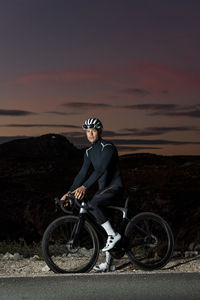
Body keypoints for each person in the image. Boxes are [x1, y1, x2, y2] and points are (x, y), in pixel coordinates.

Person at [61, 117, 124, 271]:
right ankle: (109, 264)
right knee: (105, 224)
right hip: (103, 191)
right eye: (87, 131)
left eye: (93, 131)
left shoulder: (107, 147)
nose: (90, 134)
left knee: (93, 203)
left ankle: (114, 236)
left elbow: (100, 169)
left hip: (115, 188)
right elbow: (82, 174)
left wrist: (85, 187)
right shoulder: (89, 152)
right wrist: (69, 192)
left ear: (99, 131)